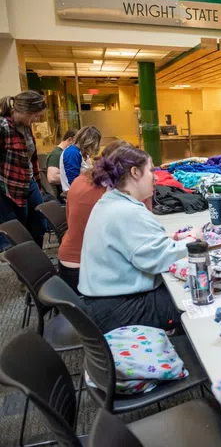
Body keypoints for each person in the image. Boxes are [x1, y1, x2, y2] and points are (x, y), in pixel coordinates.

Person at [78, 145, 192, 333]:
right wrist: (196, 243)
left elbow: (140, 244)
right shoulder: (127, 211)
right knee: (195, 298)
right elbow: (159, 258)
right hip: (119, 310)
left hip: (104, 303)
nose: (156, 177)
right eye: (152, 170)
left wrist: (177, 238)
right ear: (135, 172)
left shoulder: (112, 201)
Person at [58, 140, 151, 293]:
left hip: (68, 263)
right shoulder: (115, 191)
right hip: (86, 272)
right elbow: (146, 231)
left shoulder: (81, 179)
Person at [0, 90, 48, 249]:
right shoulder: (3, 127)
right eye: (36, 115)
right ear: (26, 111)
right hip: (9, 187)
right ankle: (27, 267)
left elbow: (32, 159)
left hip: (29, 182)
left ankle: (37, 260)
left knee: (39, 224)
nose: (38, 119)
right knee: (19, 232)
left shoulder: (26, 127)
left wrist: (38, 185)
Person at [60, 125, 101, 192]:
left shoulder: (81, 152)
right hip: (76, 193)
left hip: (83, 190)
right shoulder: (72, 152)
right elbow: (73, 181)